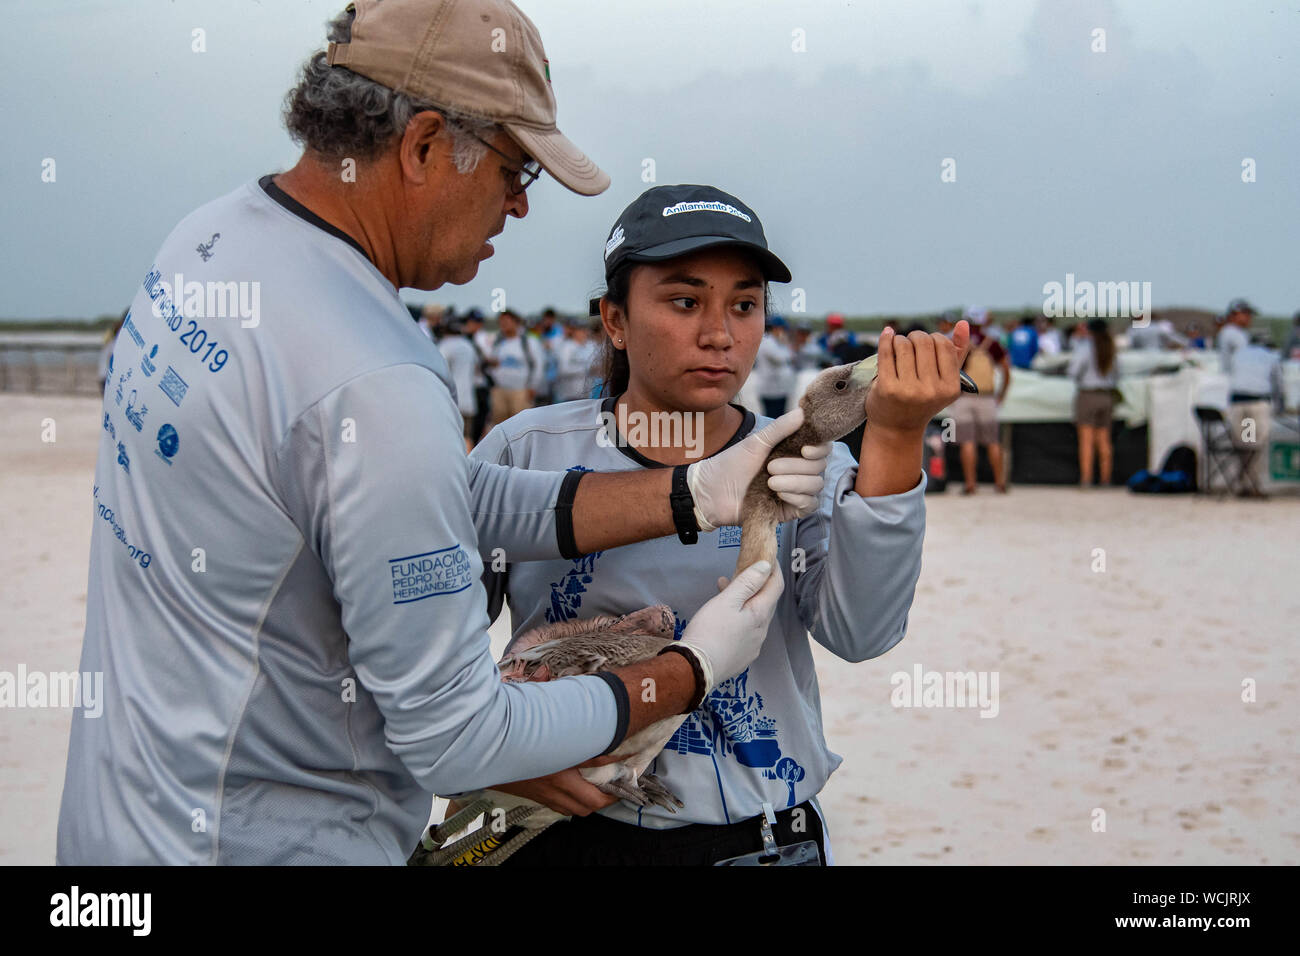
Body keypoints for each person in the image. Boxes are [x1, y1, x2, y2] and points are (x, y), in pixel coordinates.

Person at [57, 0, 833, 865]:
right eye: (515, 171)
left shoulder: (208, 242)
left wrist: (692, 493)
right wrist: (690, 668)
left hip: (123, 816)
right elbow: (457, 738)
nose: (519, 206)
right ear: (424, 144)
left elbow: (412, 496)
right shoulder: (376, 379)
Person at [463, 183, 969, 866]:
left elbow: (862, 634)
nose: (719, 334)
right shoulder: (527, 451)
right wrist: (487, 753)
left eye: (745, 304)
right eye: (683, 301)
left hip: (762, 840)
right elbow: (423, 646)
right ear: (615, 319)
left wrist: (897, 440)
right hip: (561, 832)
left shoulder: (806, 465)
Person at [952, 307, 1011, 493]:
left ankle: (971, 484)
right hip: (987, 397)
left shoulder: (961, 343)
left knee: (967, 442)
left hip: (965, 397)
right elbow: (1006, 370)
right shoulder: (992, 343)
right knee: (993, 441)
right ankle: (999, 482)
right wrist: (1001, 394)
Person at [1069, 319, 1119, 487]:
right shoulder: (1112, 350)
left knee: (1086, 440)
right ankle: (1105, 479)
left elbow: (1073, 371)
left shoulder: (1085, 348)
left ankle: (1086, 478)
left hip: (1088, 395)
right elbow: (1119, 374)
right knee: (1104, 440)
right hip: (1107, 396)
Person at [486, 308, 545, 428]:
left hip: (520, 390)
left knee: (520, 426)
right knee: (499, 426)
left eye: (507, 322)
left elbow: (538, 365)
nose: (504, 325)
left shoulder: (528, 342)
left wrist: (533, 387)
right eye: (501, 322)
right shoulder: (498, 342)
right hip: (500, 390)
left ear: (516, 322)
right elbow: (493, 363)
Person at [436, 317, 479, 452]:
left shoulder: (444, 345)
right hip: (469, 400)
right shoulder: (468, 345)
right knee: (467, 437)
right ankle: (469, 468)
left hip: (450, 400)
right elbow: (477, 369)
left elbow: (439, 371)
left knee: (449, 439)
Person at [753, 316, 796, 417]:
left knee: (779, 418)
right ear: (776, 328)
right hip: (771, 390)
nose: (784, 332)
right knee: (772, 420)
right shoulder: (767, 341)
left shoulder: (776, 342)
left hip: (779, 389)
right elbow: (781, 358)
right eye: (783, 329)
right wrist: (786, 346)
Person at [1218, 298, 1257, 401]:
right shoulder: (1232, 333)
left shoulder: (1238, 332)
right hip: (1236, 382)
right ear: (1234, 314)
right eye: (1246, 313)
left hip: (1236, 381)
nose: (1249, 317)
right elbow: (1246, 358)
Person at [553, 315, 599, 401]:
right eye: (580, 330)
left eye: (585, 329)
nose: (584, 332)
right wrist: (586, 368)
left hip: (587, 395)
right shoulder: (566, 347)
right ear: (574, 331)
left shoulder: (590, 346)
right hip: (569, 395)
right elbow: (563, 370)